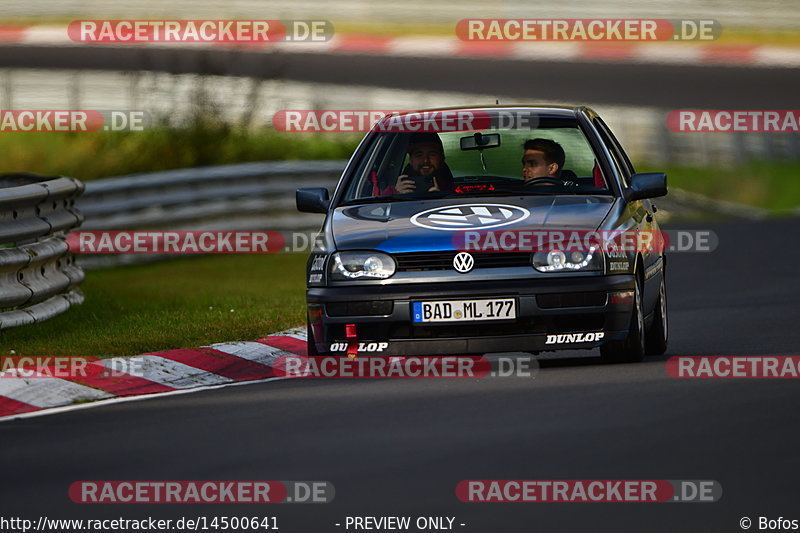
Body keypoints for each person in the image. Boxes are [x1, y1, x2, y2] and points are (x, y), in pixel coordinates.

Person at [381, 132, 455, 195]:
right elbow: (380, 207)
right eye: (419, 155)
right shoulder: (394, 191)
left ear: (441, 158)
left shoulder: (454, 192)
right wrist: (396, 195)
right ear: (410, 160)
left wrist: (440, 197)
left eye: (432, 154)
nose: (426, 160)